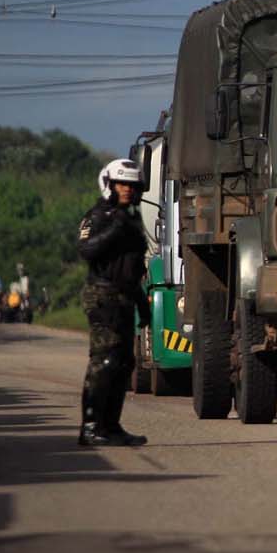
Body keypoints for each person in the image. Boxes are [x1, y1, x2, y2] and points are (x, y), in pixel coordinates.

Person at [76, 158, 153, 448]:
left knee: (124, 363)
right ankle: (91, 426)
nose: (128, 190)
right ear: (109, 184)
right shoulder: (100, 215)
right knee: (104, 361)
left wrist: (142, 305)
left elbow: (132, 268)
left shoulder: (131, 219)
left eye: (133, 186)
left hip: (125, 295)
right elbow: (86, 250)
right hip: (102, 294)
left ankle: (111, 426)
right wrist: (114, 230)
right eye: (122, 184)